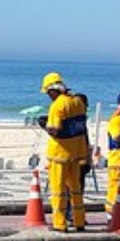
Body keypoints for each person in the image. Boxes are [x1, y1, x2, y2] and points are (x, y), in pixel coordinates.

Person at [36, 72, 90, 232]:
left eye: (48, 93)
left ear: (53, 90)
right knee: (76, 189)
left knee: (58, 191)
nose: (48, 96)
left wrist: (44, 125)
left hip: (59, 155)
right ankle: (79, 221)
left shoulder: (57, 105)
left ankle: (60, 224)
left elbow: (56, 131)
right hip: (75, 154)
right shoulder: (78, 102)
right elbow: (79, 127)